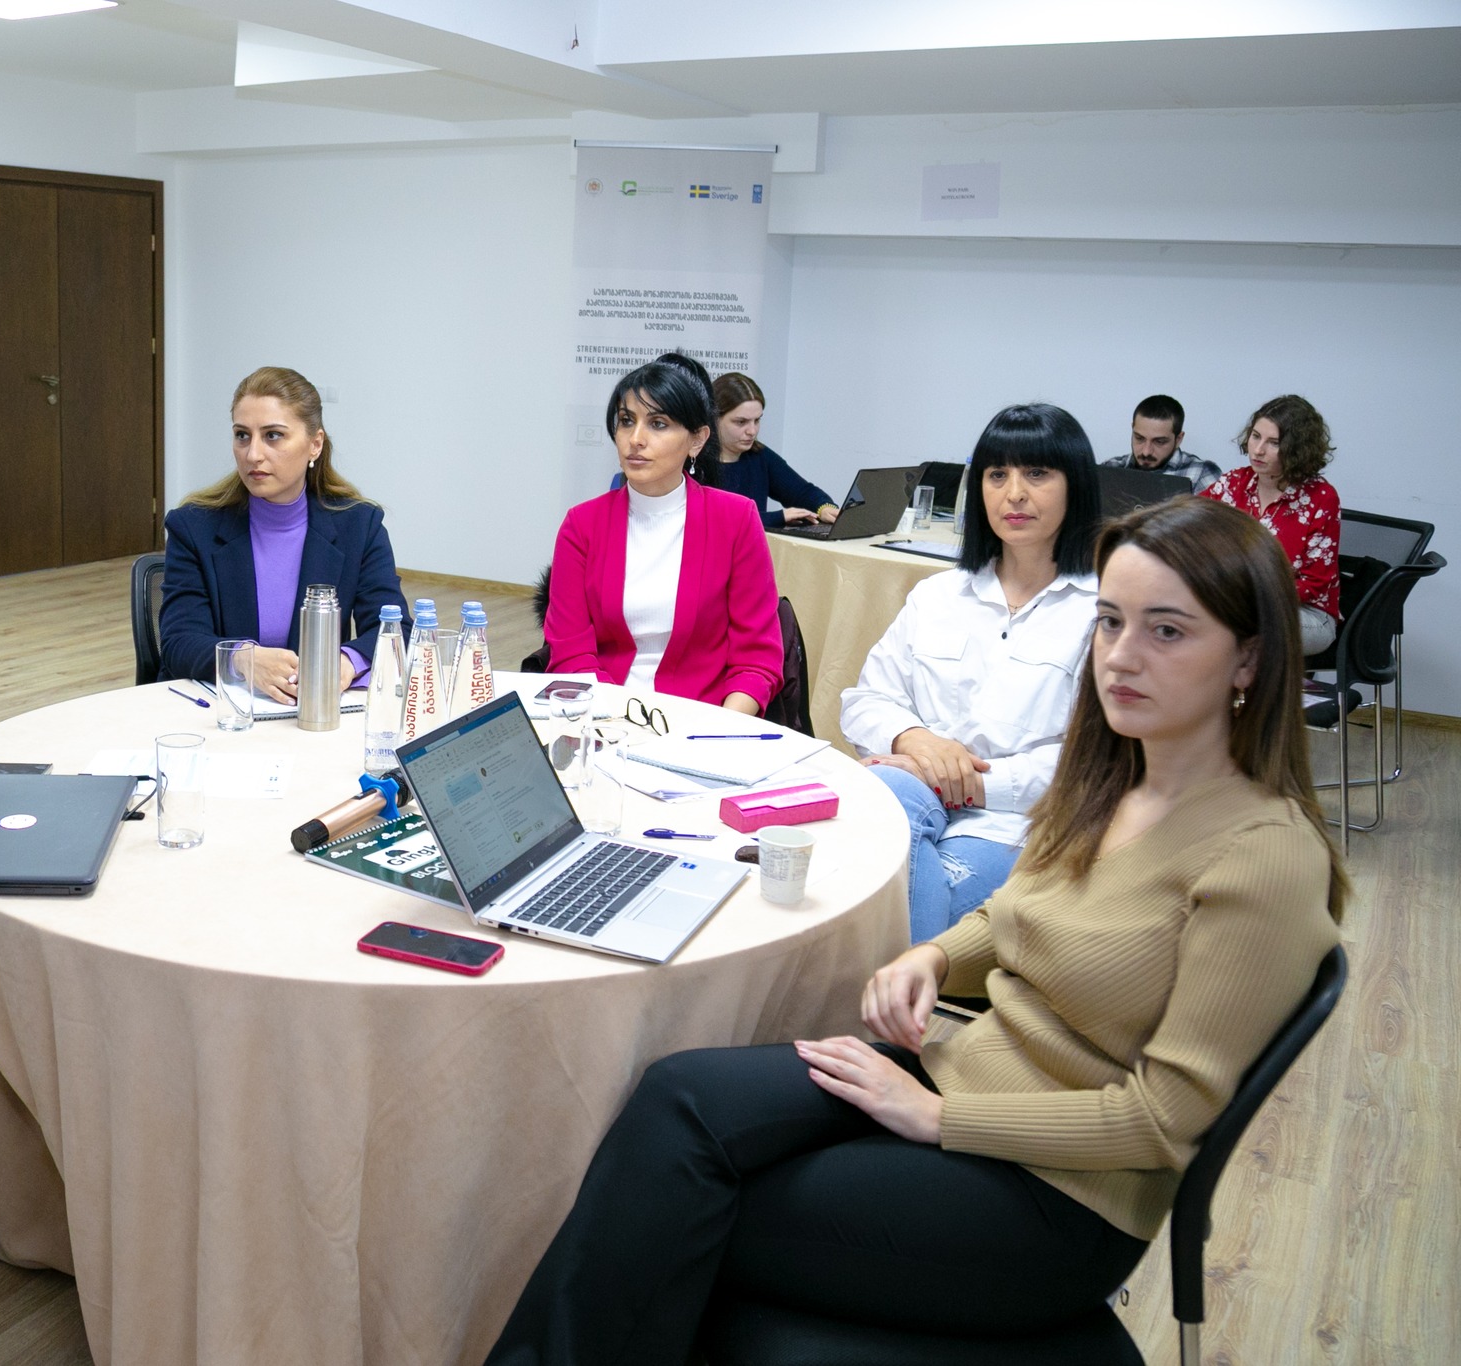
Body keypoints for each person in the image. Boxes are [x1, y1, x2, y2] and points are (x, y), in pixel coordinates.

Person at [484, 495, 1345, 1364]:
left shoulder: (1264, 857)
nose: (1121, 656)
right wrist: (933, 955)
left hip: (1059, 1198)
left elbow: (1163, 1122)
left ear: (1249, 657)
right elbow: (1012, 917)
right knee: (680, 1100)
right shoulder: (1112, 779)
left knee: (682, 1213)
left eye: (1167, 631)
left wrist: (939, 1117)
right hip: (960, 1081)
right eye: (1111, 622)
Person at [841, 403, 1103, 941]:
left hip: (1018, 824)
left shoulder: (1104, 612)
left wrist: (968, 784)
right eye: (997, 475)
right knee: (855, 857)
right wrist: (915, 739)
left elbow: (1094, 760)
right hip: (909, 795)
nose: (1014, 494)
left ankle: (896, 994)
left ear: (1075, 485)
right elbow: (865, 701)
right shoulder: (938, 595)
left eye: (1037, 473)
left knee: (876, 902)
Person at [545, 359, 785, 715]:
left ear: (697, 439)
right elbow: (570, 654)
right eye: (627, 421)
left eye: (658, 424)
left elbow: (756, 660)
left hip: (706, 721)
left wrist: (721, 730)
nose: (635, 439)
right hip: (604, 716)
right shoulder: (582, 525)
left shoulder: (736, 519)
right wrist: (621, 722)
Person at [158, 367, 408, 702]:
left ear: (315, 444)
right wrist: (243, 659)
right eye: (242, 435)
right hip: (221, 712)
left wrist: (346, 662)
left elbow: (395, 630)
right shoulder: (193, 527)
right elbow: (179, 642)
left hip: (313, 711)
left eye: (273, 435)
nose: (253, 454)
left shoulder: (359, 525)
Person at [1203, 394, 1341, 653]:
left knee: (1235, 626)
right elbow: (1188, 522)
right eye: (1255, 436)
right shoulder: (1234, 483)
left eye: (1273, 443)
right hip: (1238, 604)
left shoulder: (1321, 497)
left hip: (1305, 613)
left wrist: (1249, 596)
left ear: (1297, 449)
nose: (1258, 450)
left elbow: (1314, 584)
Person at [709, 372, 840, 527]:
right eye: (741, 422)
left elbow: (800, 491)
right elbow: (716, 520)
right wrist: (777, 517)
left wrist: (823, 507)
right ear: (714, 418)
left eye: (757, 420)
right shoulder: (696, 462)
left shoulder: (759, 456)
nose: (752, 431)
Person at [1100, 393, 1223, 492]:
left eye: (1159, 442)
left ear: (1178, 439)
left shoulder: (1202, 473)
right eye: (1139, 438)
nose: (1146, 451)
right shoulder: (1110, 468)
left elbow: (1217, 516)